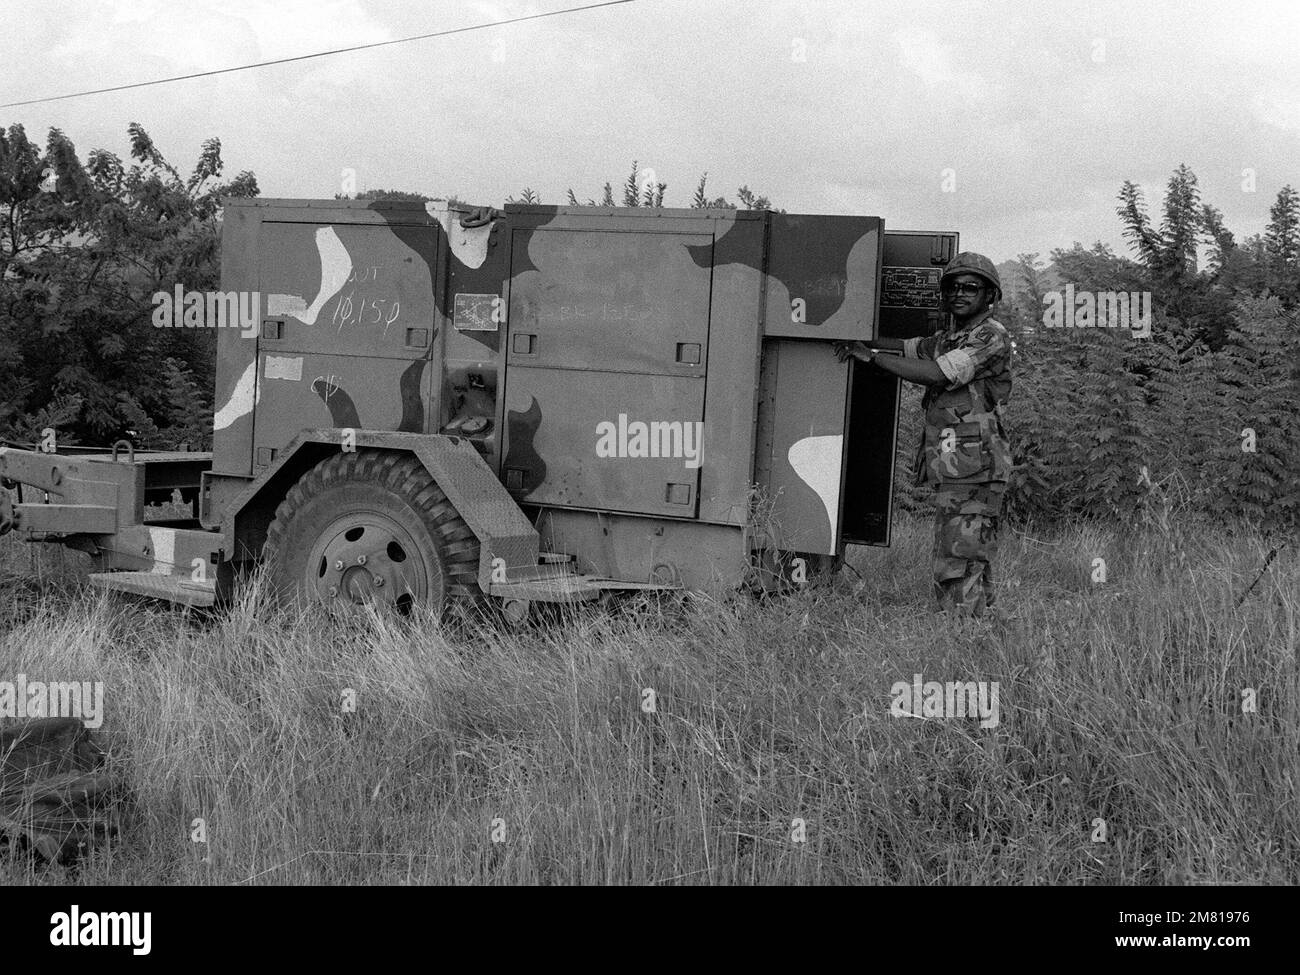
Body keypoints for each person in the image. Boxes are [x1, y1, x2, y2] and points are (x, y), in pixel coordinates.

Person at [834, 252, 1013, 618]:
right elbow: (906, 346)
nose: (959, 293)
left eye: (970, 287)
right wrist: (859, 337)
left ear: (989, 295)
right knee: (969, 550)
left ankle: (963, 633)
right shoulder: (952, 337)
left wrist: (869, 357)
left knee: (960, 553)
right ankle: (981, 630)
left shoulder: (990, 336)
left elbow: (937, 373)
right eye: (953, 287)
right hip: (960, 465)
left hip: (976, 466)